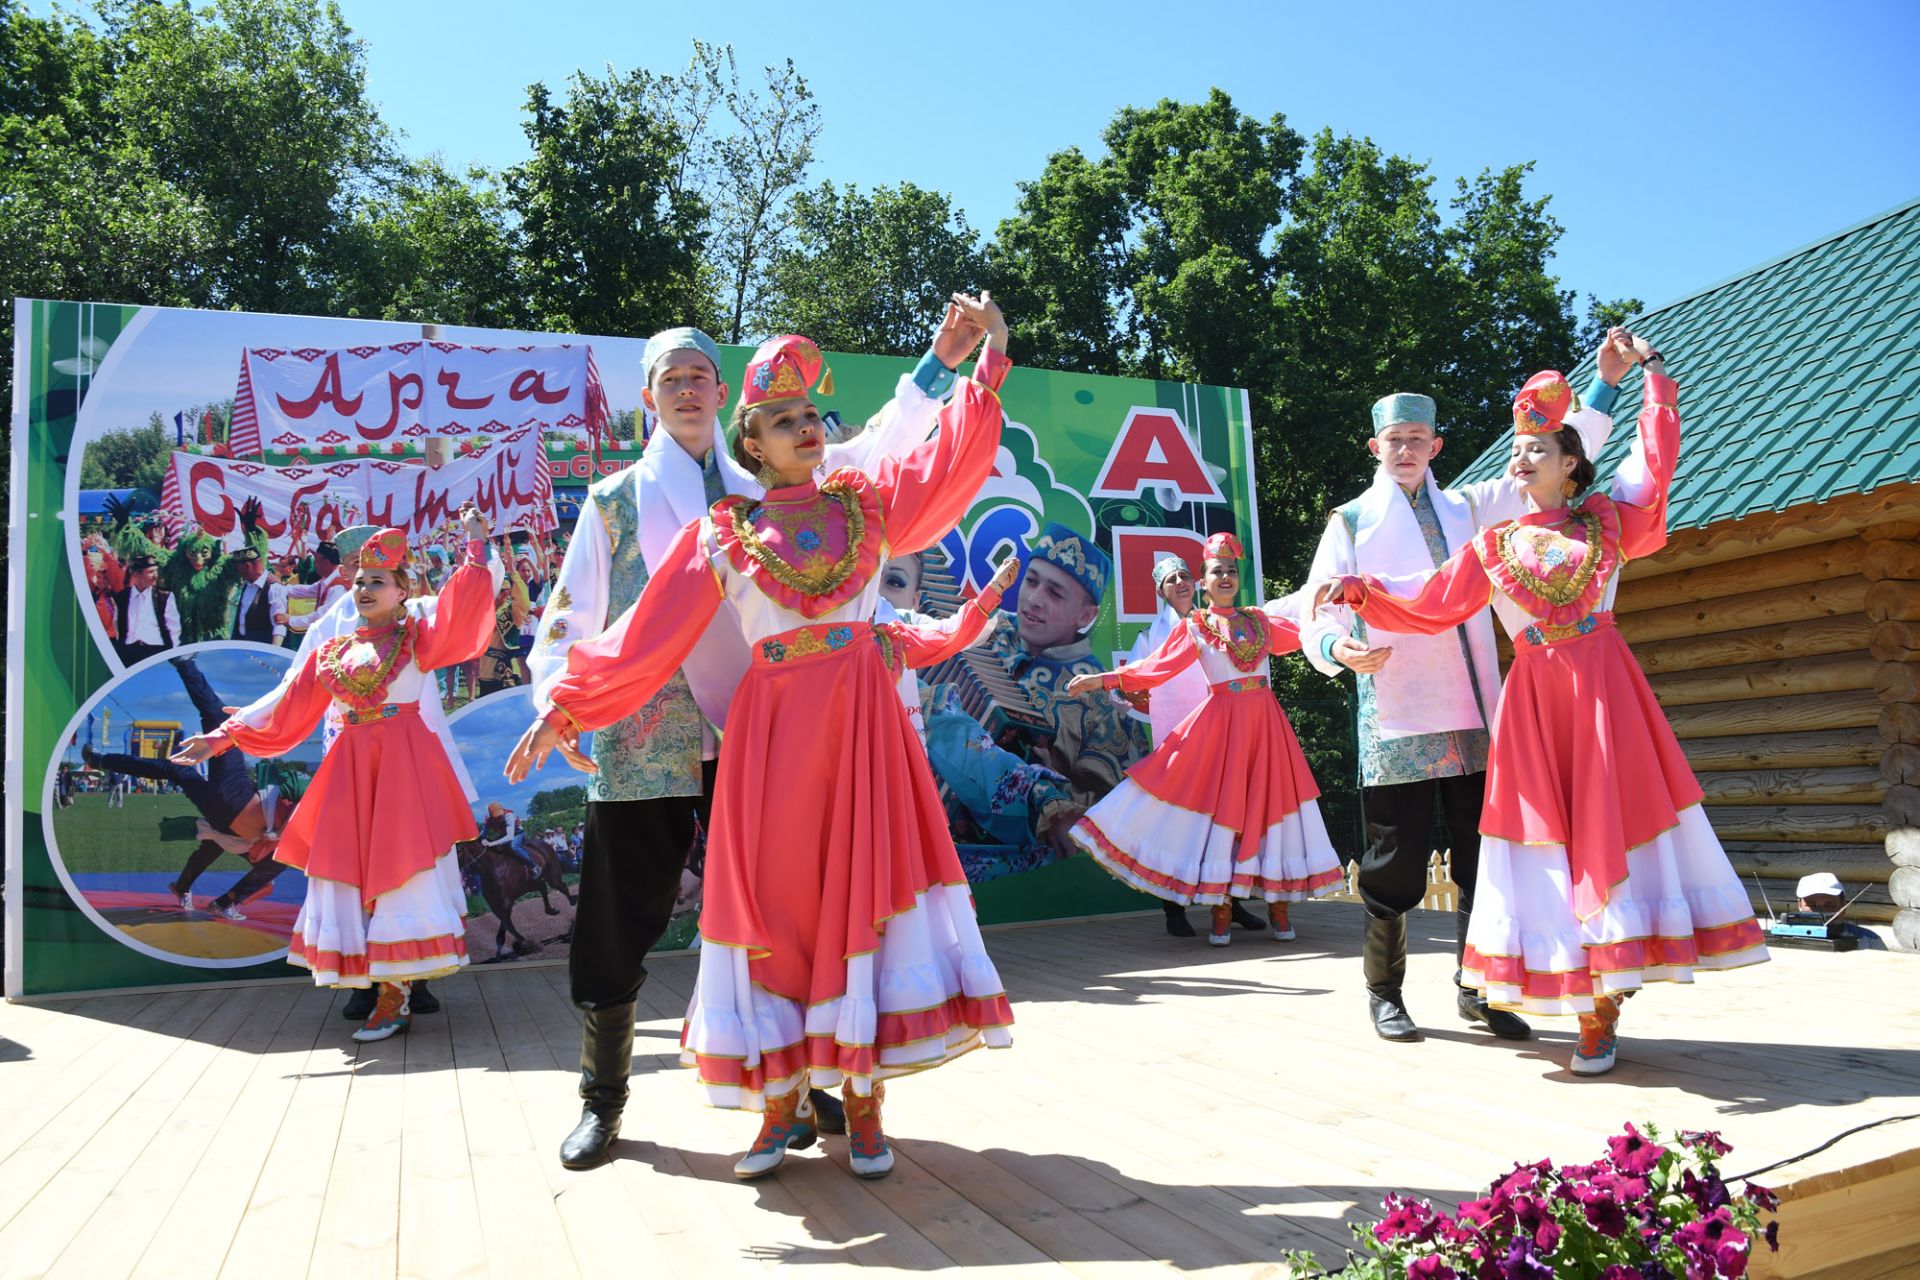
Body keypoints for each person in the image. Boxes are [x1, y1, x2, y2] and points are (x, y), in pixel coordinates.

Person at [511, 301, 1016, 1182]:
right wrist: (563, 703)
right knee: (635, 921)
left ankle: (832, 1089)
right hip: (654, 735)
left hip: (787, 738)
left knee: (823, 903)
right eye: (671, 378)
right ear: (652, 400)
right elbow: (594, 625)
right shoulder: (619, 503)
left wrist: (958, 364)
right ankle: (605, 1099)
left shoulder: (808, 500)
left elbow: (890, 454)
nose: (688, 388)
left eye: (701, 372)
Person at [1318, 339, 1769, 1076]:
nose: (1520, 460)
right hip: (1527, 710)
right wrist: (1363, 597)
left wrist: (1646, 385)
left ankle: (1603, 1009)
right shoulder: (1489, 541)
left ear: (1569, 465)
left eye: (1536, 451)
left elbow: (1649, 472)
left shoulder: (1608, 523)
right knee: (1534, 852)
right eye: (1516, 451)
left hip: (1604, 703)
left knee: (1608, 835)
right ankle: (1437, 990)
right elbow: (1432, 608)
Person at [1299, 333, 1634, 1045]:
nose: (1407, 450)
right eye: (1395, 440)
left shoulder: (1473, 508)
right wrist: (1334, 645)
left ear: (1437, 445)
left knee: (1485, 858)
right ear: (1375, 448)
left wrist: (1602, 384)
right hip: (1398, 711)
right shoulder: (1351, 521)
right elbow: (1316, 607)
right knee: (1395, 865)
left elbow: (1555, 455)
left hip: (1483, 712)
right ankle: (1384, 992)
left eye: (1419, 438)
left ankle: (1478, 988)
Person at [169, 505, 498, 1043]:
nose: (364, 588)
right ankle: (371, 985)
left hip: (405, 769)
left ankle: (397, 995)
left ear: (401, 589)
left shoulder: (418, 635)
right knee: (350, 875)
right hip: (350, 769)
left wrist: (476, 548)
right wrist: (222, 736)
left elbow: (462, 616)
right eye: (359, 578)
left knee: (403, 871)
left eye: (378, 581)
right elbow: (287, 701)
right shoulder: (332, 647)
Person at [1067, 533, 1341, 945]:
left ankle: (1279, 909)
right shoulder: (1195, 628)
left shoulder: (1259, 622)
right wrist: (1103, 680)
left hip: (1267, 729)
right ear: (1204, 581)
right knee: (1225, 812)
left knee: (1272, 806)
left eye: (1231, 570)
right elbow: (1153, 669)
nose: (1226, 577)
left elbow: (1304, 631)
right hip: (1221, 730)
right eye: (1217, 571)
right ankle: (1220, 909)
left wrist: (1339, 599)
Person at [83, 655, 297, 920]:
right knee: (177, 772)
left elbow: (300, 814)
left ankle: (185, 665)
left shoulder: (280, 850)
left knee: (218, 724)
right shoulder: (272, 856)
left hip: (233, 806)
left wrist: (277, 831)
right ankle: (196, 892)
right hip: (226, 819)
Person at [1117, 554, 1260, 939]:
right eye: (1170, 580)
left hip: (1220, 735)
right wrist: (1137, 697)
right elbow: (1130, 686)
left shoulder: (1215, 626)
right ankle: (1174, 909)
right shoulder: (1149, 638)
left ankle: (1232, 903)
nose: (1180, 583)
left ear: (1196, 582)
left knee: (1226, 820)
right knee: (1177, 824)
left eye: (1184, 576)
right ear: (1160, 591)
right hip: (1177, 741)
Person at [978, 524, 1147, 808]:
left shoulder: (1102, 698)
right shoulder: (985, 631)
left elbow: (1123, 807)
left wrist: (1055, 785)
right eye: (1031, 581)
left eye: (1055, 594)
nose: (1033, 600)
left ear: (1085, 616)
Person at [111, 554, 182, 667]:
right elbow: (116, 623)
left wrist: (173, 655)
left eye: (156, 571)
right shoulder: (123, 596)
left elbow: (174, 628)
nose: (155, 575)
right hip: (128, 653)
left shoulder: (164, 597)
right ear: (136, 574)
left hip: (156, 651)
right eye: (150, 572)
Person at [1794, 873, 1887, 950]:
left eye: (1829, 905)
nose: (1821, 912)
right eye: (1812, 905)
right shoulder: (1782, 936)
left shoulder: (1869, 941)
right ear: (1799, 906)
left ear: (1843, 906)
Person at [228, 547, 289, 645]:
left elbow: (279, 626)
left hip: (261, 651)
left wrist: (273, 653)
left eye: (238, 567)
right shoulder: (247, 584)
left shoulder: (274, 587)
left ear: (247, 566)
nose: (237, 571)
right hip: (242, 646)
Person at [478, 802, 543, 874]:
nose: (499, 817)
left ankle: (534, 865)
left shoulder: (509, 816)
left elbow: (510, 837)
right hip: (504, 835)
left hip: (517, 833)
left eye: (500, 815)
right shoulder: (489, 820)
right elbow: (483, 833)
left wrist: (491, 843)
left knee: (513, 846)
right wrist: (482, 839)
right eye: (496, 816)